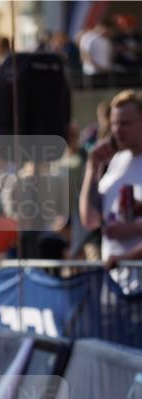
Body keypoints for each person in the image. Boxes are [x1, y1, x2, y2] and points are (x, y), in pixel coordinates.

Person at [79, 89, 142, 275]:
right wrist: (92, 167)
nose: (116, 130)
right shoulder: (115, 161)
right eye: (113, 124)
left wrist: (126, 258)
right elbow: (90, 220)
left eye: (125, 123)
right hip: (116, 286)